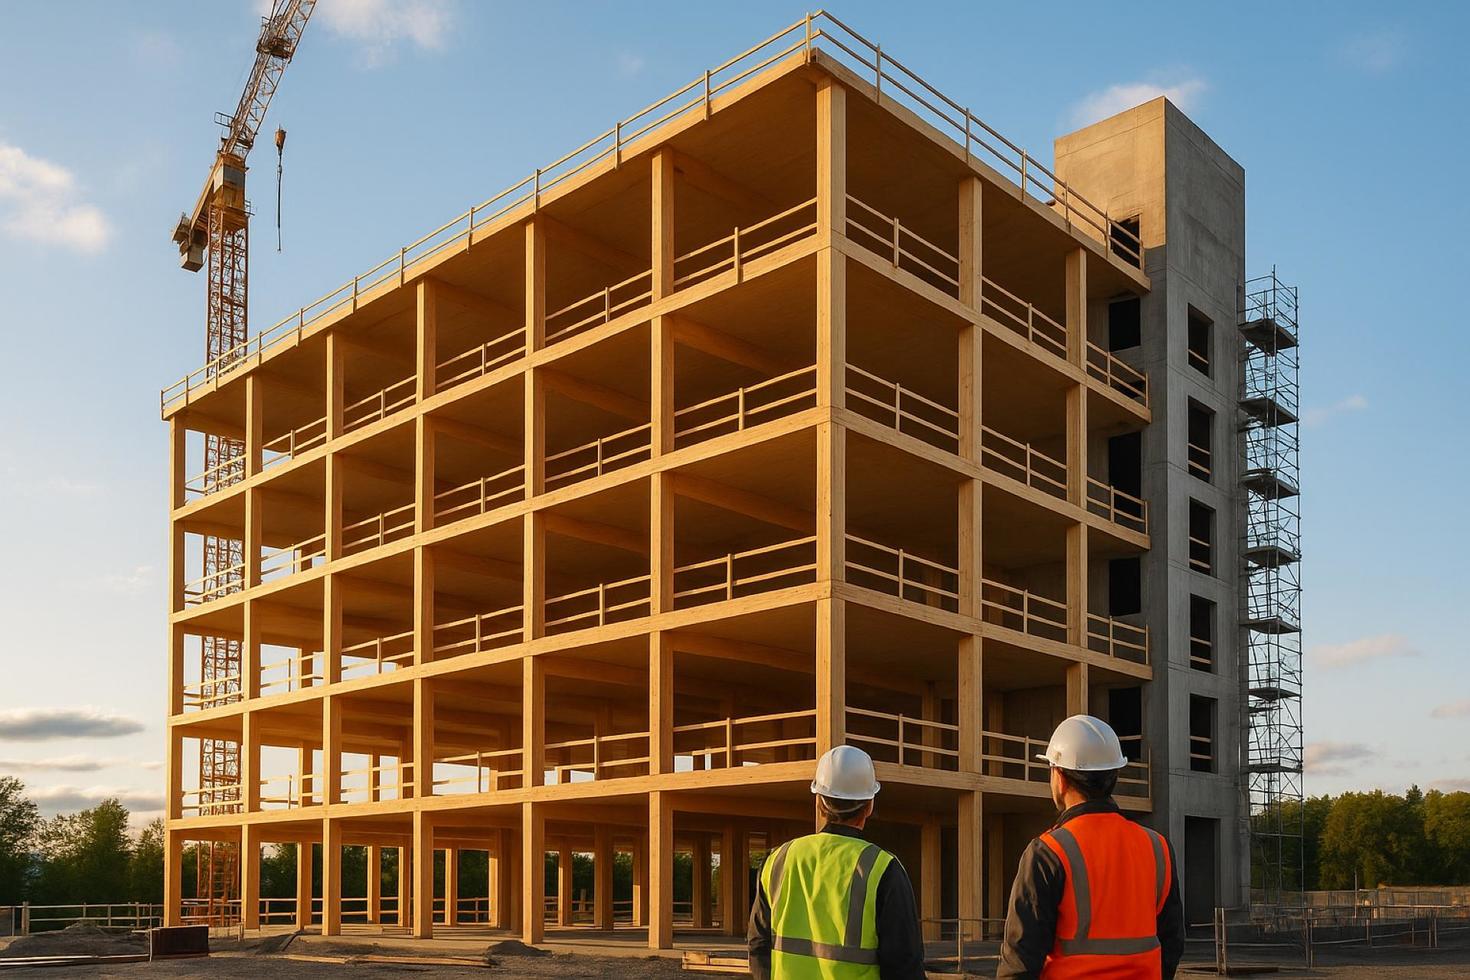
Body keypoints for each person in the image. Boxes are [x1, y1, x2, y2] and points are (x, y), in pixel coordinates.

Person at [998, 715, 1185, 979]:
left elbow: (1020, 962)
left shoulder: (1048, 852)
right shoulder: (1157, 848)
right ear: (1113, 777)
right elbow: (1172, 942)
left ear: (1059, 778)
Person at [748, 745, 926, 979]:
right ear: (870, 805)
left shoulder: (778, 860)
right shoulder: (882, 869)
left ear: (819, 802)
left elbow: (758, 947)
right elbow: (904, 965)